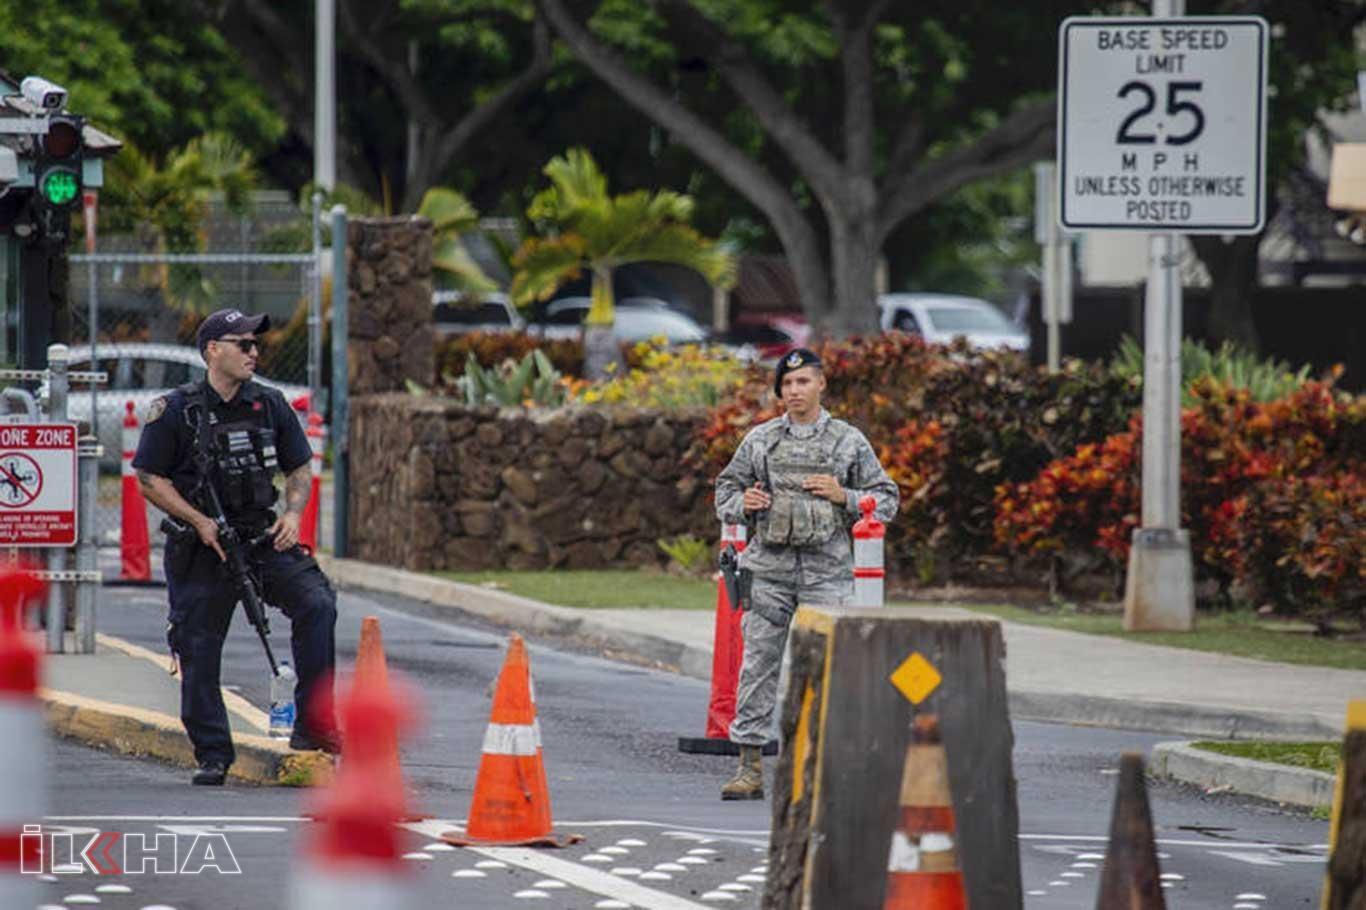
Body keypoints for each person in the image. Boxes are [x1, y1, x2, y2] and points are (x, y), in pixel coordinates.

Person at [133, 308, 339, 786]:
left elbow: (300, 468)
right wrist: (198, 520)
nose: (254, 352)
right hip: (202, 547)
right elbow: (148, 477)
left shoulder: (269, 404)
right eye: (243, 344)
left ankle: (314, 726)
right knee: (199, 645)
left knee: (318, 605)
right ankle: (212, 754)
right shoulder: (177, 410)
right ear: (213, 351)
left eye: (256, 344)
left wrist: (291, 515)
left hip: (259, 537)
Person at [713, 347, 899, 801]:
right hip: (768, 570)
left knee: (828, 668)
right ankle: (750, 767)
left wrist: (846, 496)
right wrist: (744, 504)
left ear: (821, 385)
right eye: (787, 384)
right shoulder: (760, 440)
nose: (794, 391)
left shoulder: (848, 441)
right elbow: (725, 489)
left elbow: (887, 498)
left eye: (803, 382)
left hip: (827, 571)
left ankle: (825, 765)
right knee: (758, 665)